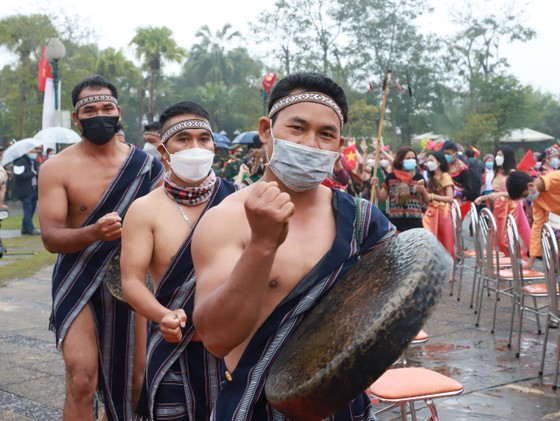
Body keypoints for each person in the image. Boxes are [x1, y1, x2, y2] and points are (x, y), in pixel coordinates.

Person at [191, 72, 396, 420]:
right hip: (258, 406)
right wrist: (262, 246)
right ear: (265, 130)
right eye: (297, 128)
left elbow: (393, 313)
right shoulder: (225, 220)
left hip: (343, 407)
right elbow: (216, 338)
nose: (311, 144)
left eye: (326, 134)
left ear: (338, 145)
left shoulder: (363, 221)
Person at [38, 75, 164, 421]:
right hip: (77, 279)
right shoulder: (56, 168)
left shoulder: (147, 166)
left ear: (119, 112)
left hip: (132, 281)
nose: (100, 115)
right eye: (89, 110)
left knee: (136, 385)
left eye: (107, 107)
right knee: (81, 379)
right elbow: (50, 238)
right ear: (77, 118)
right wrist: (94, 231)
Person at [121, 100, 238, 420]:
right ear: (163, 150)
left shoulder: (240, 200)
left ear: (214, 145)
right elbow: (131, 281)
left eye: (203, 138)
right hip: (174, 353)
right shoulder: (145, 210)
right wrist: (162, 316)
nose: (195, 147)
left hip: (236, 353)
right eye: (183, 139)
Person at [475, 146, 531, 259]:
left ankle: (518, 259)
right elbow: (495, 191)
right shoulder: (496, 172)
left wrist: (498, 195)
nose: (497, 157)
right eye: (497, 154)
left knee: (506, 237)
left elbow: (517, 193)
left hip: (510, 206)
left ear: (507, 158)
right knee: (496, 236)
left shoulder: (512, 174)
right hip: (498, 207)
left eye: (501, 155)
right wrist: (484, 198)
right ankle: (502, 260)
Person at [507, 170, 560, 269]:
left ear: (530, 185)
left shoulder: (556, 178)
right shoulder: (538, 199)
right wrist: (530, 262)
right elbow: (538, 226)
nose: (526, 198)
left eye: (524, 195)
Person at [372, 146, 426, 232]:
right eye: (408, 158)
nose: (411, 160)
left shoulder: (419, 178)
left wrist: (423, 190)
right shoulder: (391, 177)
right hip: (396, 224)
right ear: (400, 161)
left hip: (415, 224)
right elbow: (382, 198)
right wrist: (376, 186)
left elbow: (426, 201)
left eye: (413, 158)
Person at [420, 151, 455, 257]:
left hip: (443, 213)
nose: (428, 163)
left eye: (431, 160)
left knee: (445, 240)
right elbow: (427, 199)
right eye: (428, 160)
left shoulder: (445, 176)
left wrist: (432, 196)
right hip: (432, 212)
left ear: (439, 163)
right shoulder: (431, 177)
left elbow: (450, 198)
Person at [13, 147, 40, 235]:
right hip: (25, 190)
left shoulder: (34, 162)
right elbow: (18, 176)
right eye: (31, 151)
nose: (33, 153)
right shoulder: (20, 162)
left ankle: (25, 228)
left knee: (31, 209)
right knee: (28, 210)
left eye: (34, 151)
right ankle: (30, 229)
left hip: (34, 189)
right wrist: (32, 173)